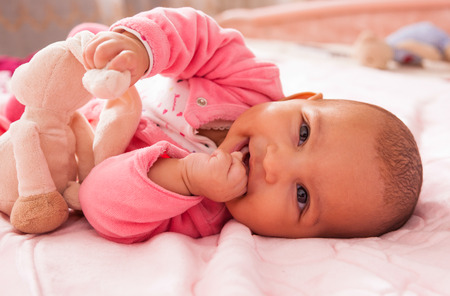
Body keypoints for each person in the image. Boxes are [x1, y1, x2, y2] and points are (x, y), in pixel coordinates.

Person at [78, 7, 423, 243]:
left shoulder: (201, 215)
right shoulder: (251, 83)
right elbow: (201, 37)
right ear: (294, 100)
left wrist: (187, 178)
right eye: (303, 134)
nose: (273, 164)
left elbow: (98, 199)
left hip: (65, 137)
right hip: (95, 75)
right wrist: (142, 47)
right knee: (83, 46)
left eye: (301, 196)